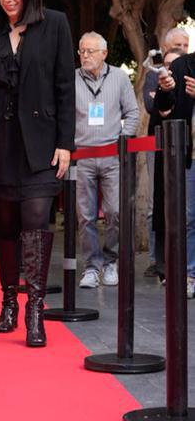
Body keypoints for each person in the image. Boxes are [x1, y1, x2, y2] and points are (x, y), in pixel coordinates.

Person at [0, 0, 75, 347]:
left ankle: (35, 309)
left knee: (35, 221)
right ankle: (9, 302)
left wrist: (66, 142)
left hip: (42, 144)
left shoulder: (55, 24)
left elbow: (65, 87)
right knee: (6, 225)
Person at [75, 32, 140, 289]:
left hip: (112, 156)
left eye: (91, 51)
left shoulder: (119, 78)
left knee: (115, 212)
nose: (85, 55)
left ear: (104, 54)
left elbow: (132, 113)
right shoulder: (72, 78)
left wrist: (123, 141)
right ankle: (91, 267)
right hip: (83, 156)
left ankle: (110, 261)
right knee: (85, 216)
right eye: (82, 51)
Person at [142, 27, 190, 277]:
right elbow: (155, 105)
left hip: (184, 146)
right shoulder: (154, 72)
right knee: (155, 204)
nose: (183, 50)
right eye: (178, 46)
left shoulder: (189, 72)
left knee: (186, 206)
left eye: (186, 45)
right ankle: (155, 259)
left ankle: (183, 260)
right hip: (157, 145)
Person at [154, 46, 195, 298]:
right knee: (188, 218)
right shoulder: (182, 66)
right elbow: (164, 109)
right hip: (189, 156)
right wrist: (165, 89)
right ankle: (189, 274)